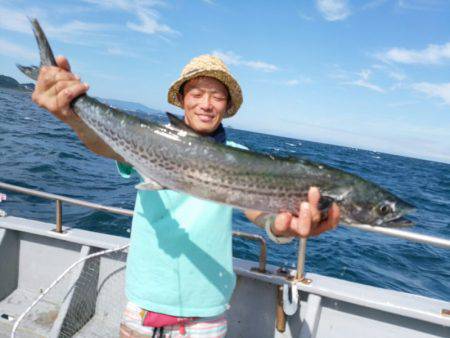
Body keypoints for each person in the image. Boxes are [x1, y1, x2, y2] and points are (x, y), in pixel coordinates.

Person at [32, 54, 340, 337]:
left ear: (226, 106)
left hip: (207, 310)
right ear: (182, 100)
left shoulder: (239, 156)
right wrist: (73, 115)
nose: (207, 104)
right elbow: (104, 145)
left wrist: (279, 228)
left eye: (217, 97)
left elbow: (258, 211)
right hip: (144, 302)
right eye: (197, 94)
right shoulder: (153, 141)